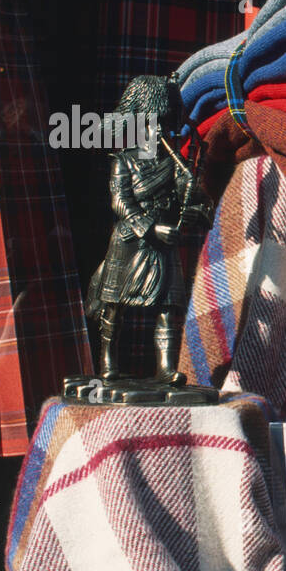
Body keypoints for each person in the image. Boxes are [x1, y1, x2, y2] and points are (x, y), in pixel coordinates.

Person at [87, 75, 213, 384]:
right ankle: (107, 362)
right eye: (151, 124)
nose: (157, 131)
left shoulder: (175, 165)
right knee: (114, 307)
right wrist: (153, 228)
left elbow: (193, 201)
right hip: (131, 241)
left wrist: (196, 206)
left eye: (161, 125)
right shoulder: (123, 162)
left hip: (163, 245)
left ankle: (166, 368)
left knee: (168, 309)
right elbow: (121, 203)